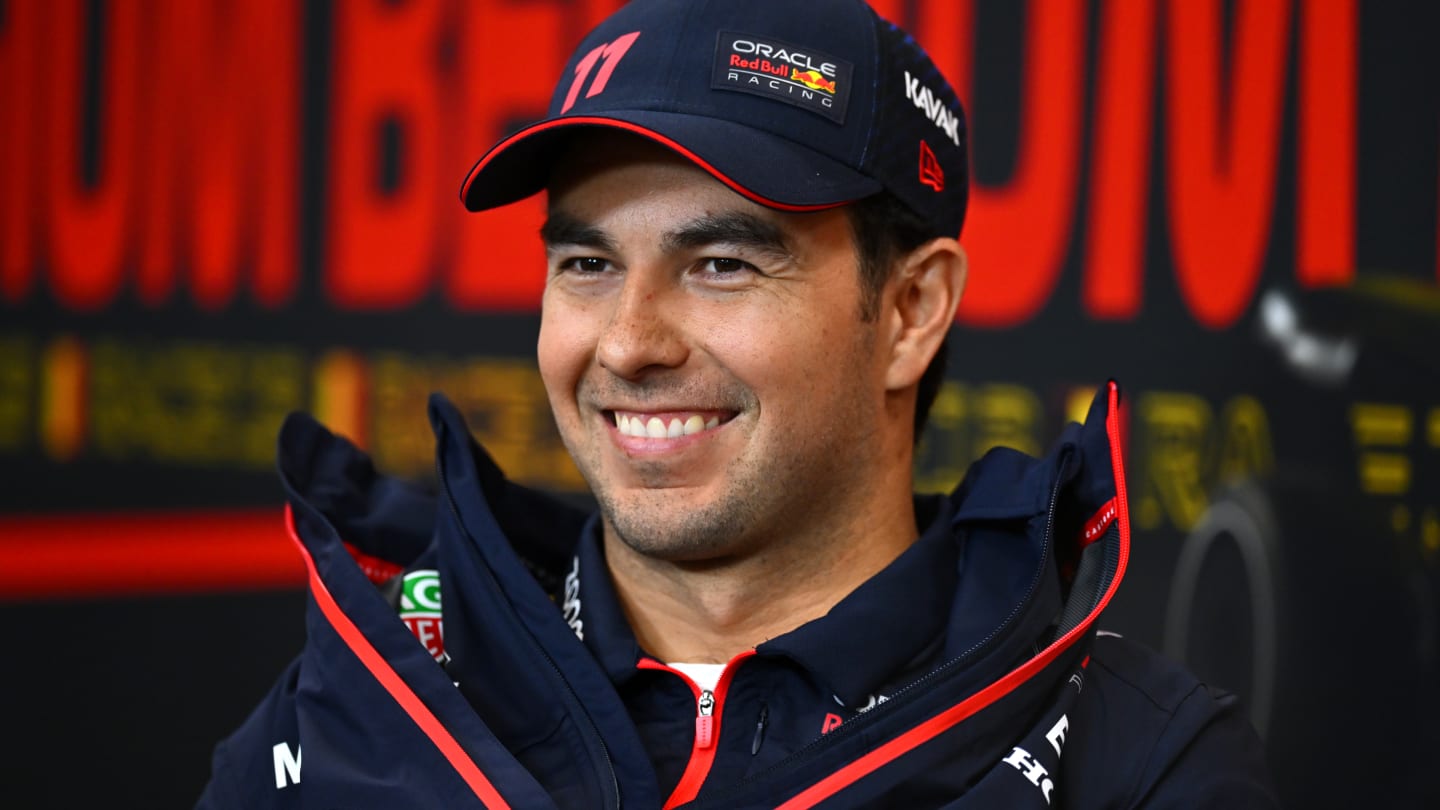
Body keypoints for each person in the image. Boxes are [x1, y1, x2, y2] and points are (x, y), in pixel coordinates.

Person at [199, 1, 1277, 807]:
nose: (628, 341)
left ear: (910, 310)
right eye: (585, 263)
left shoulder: (1136, 766)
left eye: (719, 263)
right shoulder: (365, 697)